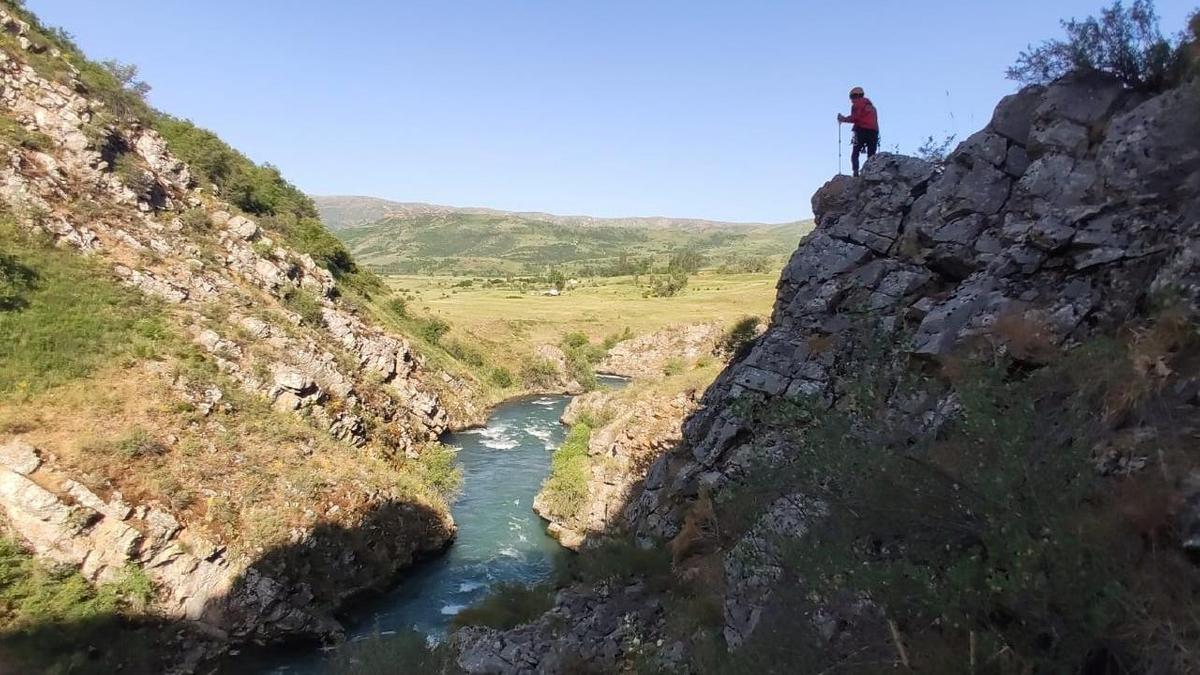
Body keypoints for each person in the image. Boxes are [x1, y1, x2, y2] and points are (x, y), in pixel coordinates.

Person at [837, 87, 879, 177]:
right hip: (873, 132)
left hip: (861, 130)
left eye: (851, 97)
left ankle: (855, 172)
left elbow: (855, 117)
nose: (851, 100)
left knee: (855, 153)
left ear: (854, 96)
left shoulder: (857, 104)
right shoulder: (872, 108)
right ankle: (871, 172)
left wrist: (843, 119)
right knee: (871, 154)